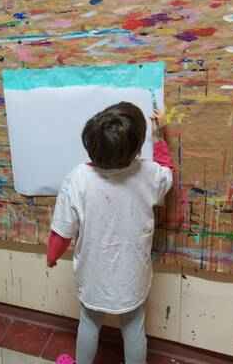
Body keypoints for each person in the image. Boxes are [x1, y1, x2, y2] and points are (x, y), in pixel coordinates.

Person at [47, 103, 174, 364]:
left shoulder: (77, 178)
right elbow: (167, 173)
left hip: (94, 278)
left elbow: (62, 231)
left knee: (89, 324)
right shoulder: (148, 173)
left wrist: (52, 255)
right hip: (132, 278)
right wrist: (160, 137)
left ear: (91, 144)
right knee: (134, 328)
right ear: (138, 147)